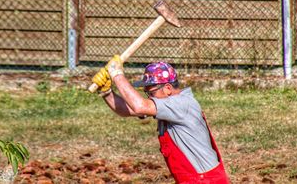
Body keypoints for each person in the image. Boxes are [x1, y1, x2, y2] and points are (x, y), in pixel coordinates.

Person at [92, 55, 230, 184]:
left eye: (151, 93)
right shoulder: (168, 104)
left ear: (168, 88)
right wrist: (106, 92)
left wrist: (116, 74)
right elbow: (128, 109)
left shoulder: (180, 104)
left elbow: (140, 106)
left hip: (205, 180)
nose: (149, 97)